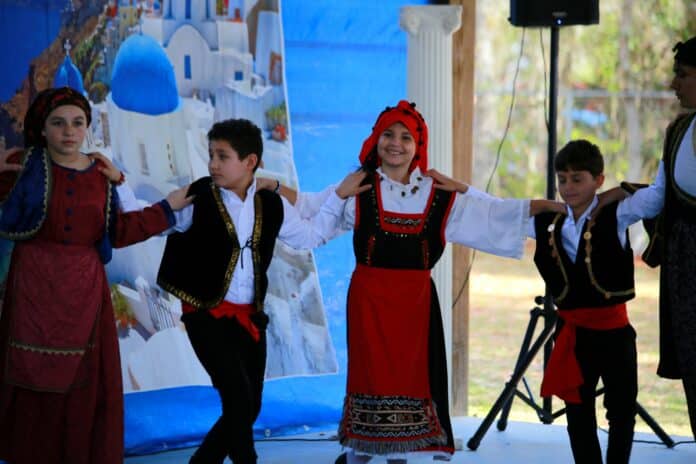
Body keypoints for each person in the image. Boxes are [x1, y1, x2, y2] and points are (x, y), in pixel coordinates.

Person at [274, 100, 564, 463]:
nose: (396, 143)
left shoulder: (438, 193)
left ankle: (401, 452)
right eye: (388, 134)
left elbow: (493, 214)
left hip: (415, 302)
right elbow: (309, 209)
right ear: (376, 140)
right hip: (369, 298)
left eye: (405, 137)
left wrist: (547, 207)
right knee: (371, 373)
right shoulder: (357, 188)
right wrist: (270, 187)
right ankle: (363, 446)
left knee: (409, 376)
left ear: (418, 146)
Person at [155, 118, 367, 464]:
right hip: (205, 312)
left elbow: (310, 236)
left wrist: (339, 197)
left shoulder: (271, 203)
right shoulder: (198, 197)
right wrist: (143, 199)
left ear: (250, 161)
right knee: (238, 399)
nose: (212, 164)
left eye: (222, 156)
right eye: (211, 155)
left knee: (249, 405)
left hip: (250, 315)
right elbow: (157, 222)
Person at [0, 86, 192, 464]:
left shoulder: (102, 175)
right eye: (58, 123)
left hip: (83, 292)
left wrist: (167, 208)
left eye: (77, 122)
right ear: (42, 128)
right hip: (33, 289)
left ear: (88, 126)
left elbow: (120, 231)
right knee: (32, 373)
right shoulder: (23, 166)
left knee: (80, 381)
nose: (69, 132)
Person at [531, 139, 663, 464]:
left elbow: (659, 196)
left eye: (578, 179)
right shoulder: (550, 222)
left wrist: (622, 190)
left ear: (598, 180)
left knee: (621, 412)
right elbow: (495, 212)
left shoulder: (617, 213)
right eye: (562, 179)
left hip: (615, 333)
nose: (568, 187)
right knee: (577, 412)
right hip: (574, 334)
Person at [599, 35, 696, 441]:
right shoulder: (679, 131)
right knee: (693, 360)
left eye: (684, 75)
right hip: (685, 261)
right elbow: (658, 196)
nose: (675, 84)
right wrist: (602, 210)